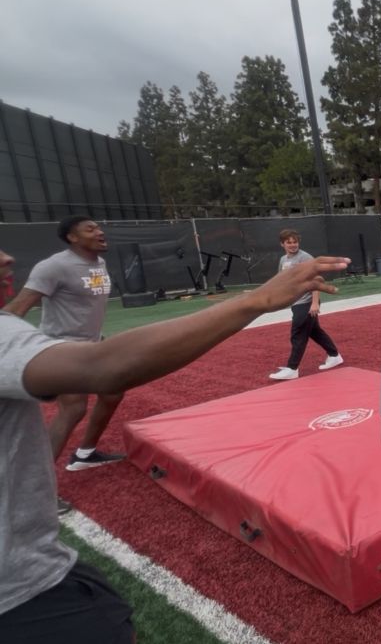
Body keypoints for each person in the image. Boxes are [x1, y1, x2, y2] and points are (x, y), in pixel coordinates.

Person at [0, 245, 349, 643]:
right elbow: (101, 367)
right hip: (19, 591)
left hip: (35, 560)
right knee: (79, 402)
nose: (8, 257)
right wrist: (255, 301)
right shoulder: (47, 271)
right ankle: (80, 454)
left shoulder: (86, 269)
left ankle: (83, 452)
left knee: (85, 404)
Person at [5, 217, 125, 507]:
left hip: (91, 345)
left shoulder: (98, 263)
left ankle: (85, 454)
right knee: (72, 409)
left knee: (113, 391)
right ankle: (34, 494)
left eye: (99, 227)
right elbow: (17, 307)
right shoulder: (53, 267)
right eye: (90, 229)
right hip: (62, 346)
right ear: (72, 237)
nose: (100, 232)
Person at [268, 228, 343, 380]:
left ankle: (292, 368)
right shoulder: (284, 260)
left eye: (295, 242)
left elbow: (316, 280)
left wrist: (314, 303)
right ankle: (334, 355)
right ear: (282, 244)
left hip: (307, 301)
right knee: (314, 331)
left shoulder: (305, 258)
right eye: (289, 242)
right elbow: (281, 280)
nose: (293, 245)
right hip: (296, 302)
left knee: (298, 333)